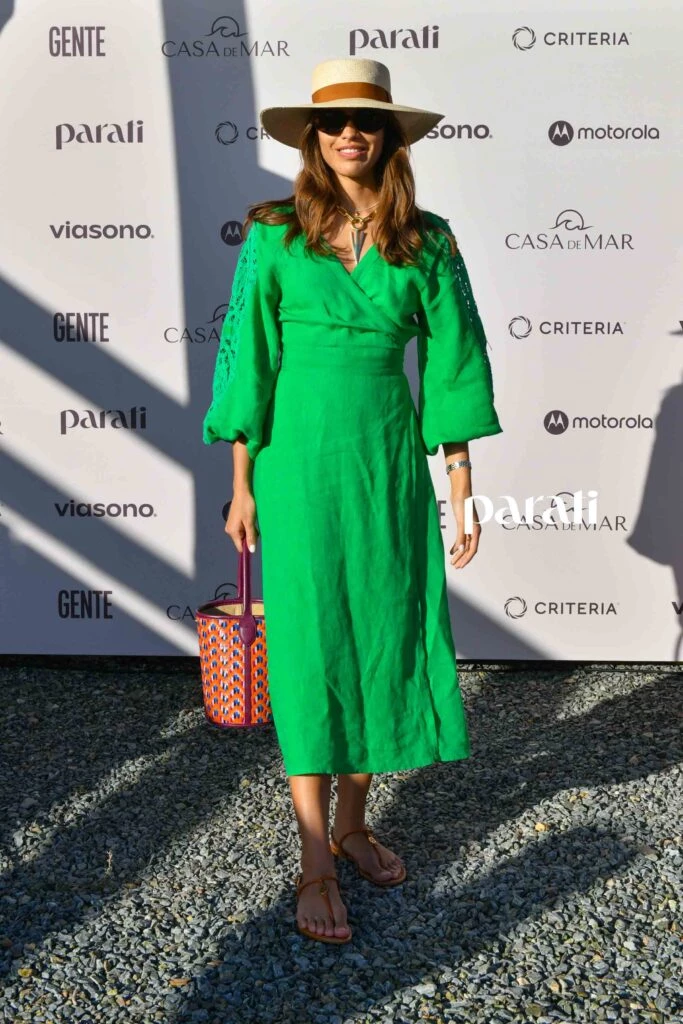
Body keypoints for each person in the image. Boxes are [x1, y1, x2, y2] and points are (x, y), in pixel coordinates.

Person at [202, 57, 503, 945]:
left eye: (366, 122)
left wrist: (460, 484)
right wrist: (240, 483)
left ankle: (354, 823)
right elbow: (245, 359)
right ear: (311, 138)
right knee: (306, 648)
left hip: (382, 463)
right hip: (295, 465)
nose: (347, 135)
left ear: (391, 137)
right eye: (331, 124)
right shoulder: (272, 234)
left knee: (379, 636)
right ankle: (313, 860)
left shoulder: (430, 241)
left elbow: (453, 367)